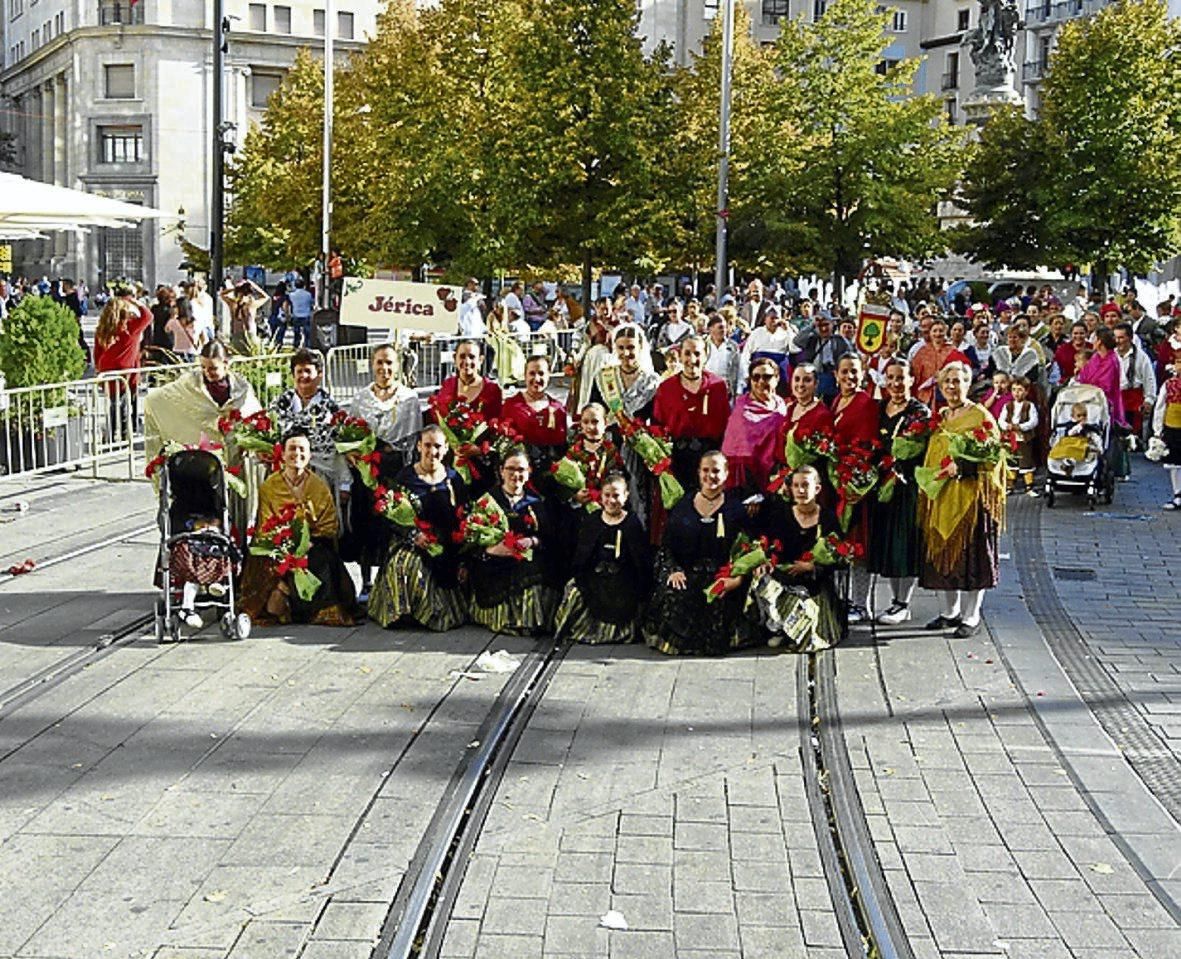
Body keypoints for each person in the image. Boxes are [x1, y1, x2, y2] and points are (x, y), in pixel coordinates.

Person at [918, 361, 1007, 639]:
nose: (952, 387)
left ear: (968, 384)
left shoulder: (981, 416)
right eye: (947, 382)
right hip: (943, 496)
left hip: (972, 499)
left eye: (958, 381)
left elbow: (995, 458)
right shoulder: (940, 416)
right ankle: (949, 612)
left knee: (972, 558)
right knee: (944, 556)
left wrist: (965, 468)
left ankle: (971, 615)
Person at [238, 431, 355, 626]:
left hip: (312, 544)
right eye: (292, 449)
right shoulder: (269, 486)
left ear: (309, 456)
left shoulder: (319, 486)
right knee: (261, 562)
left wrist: (306, 541)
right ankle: (280, 592)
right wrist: (284, 544)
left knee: (322, 560)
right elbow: (264, 525)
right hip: (277, 544)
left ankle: (293, 601)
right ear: (282, 454)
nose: (297, 454)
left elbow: (329, 525)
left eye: (302, 450)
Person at [644, 451, 751, 656]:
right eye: (706, 470)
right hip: (689, 575)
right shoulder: (683, 505)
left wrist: (736, 580)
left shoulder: (735, 509)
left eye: (716, 471)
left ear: (726, 474)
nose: (710, 476)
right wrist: (673, 571)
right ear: (698, 472)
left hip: (723, 578)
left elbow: (746, 550)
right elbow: (666, 547)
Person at [342, 344, 423, 603]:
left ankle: (390, 581)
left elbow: (412, 441)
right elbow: (350, 434)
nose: (384, 368)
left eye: (389, 362)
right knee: (366, 524)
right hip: (366, 472)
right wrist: (354, 453)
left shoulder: (409, 399)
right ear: (372, 364)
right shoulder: (361, 398)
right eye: (379, 362)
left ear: (397, 365)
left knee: (391, 526)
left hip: (394, 472)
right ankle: (365, 582)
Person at [369, 425, 470, 631]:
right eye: (427, 445)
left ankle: (430, 614)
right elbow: (391, 519)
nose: (432, 451)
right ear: (418, 446)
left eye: (437, 446)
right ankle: (403, 612)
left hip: (445, 543)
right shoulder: (405, 478)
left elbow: (463, 517)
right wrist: (413, 535)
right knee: (407, 564)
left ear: (446, 448)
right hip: (410, 540)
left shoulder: (454, 479)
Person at [745, 465, 843, 651]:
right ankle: (778, 628)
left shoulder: (828, 518)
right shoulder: (781, 514)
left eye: (805, 485)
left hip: (814, 584)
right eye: (796, 485)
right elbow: (767, 544)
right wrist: (764, 562)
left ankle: (794, 630)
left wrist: (812, 567)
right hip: (784, 577)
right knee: (762, 581)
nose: (800, 490)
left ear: (817, 489)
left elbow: (839, 558)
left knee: (811, 627)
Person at [553, 472, 651, 644]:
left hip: (622, 578)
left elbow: (640, 560)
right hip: (594, 576)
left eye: (616, 496)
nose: (611, 501)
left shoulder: (632, 523)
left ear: (626, 496)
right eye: (607, 495)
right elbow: (582, 555)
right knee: (575, 592)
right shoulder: (593, 520)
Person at [467, 450, 557, 634]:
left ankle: (527, 621)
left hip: (525, 560)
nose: (516, 475)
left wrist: (532, 541)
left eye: (521, 469)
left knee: (532, 574)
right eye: (511, 469)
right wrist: (490, 549)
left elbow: (549, 537)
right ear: (501, 471)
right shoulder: (487, 501)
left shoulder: (536, 502)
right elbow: (471, 539)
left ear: (529, 471)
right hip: (494, 561)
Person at [868, 359, 930, 625]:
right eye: (890, 378)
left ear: (911, 380)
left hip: (906, 484)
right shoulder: (879, 408)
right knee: (886, 543)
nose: (895, 384)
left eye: (901, 378)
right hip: (880, 484)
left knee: (904, 543)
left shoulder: (919, 412)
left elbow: (917, 448)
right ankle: (895, 600)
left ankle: (903, 602)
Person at [144, 340, 262, 463]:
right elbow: (162, 397)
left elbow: (252, 413)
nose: (207, 373)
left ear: (226, 364)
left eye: (213, 368)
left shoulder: (242, 387)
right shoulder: (190, 384)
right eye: (203, 367)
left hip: (235, 453)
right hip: (203, 458)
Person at [651, 337, 730, 493]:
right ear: (680, 356)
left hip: (710, 460)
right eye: (687, 353)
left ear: (706, 355)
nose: (692, 359)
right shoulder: (666, 388)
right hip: (678, 459)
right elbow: (657, 426)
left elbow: (726, 426)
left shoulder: (717, 386)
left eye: (697, 353)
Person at [269, 348, 344, 487]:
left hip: (321, 476)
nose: (303, 376)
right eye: (299, 371)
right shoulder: (280, 404)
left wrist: (345, 484)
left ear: (319, 375)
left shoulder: (331, 408)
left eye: (308, 371)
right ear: (293, 375)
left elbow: (338, 447)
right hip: (286, 476)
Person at [721, 357, 786, 493]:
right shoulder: (741, 412)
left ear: (777, 378)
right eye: (756, 377)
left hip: (778, 476)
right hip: (749, 482)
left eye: (767, 377)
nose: (761, 382)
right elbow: (736, 453)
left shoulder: (782, 405)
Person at [501, 354, 569, 475]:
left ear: (549, 375)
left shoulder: (558, 409)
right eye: (532, 373)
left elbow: (561, 449)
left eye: (541, 373)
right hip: (519, 474)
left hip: (550, 475)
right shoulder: (511, 405)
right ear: (525, 376)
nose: (537, 378)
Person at [998, 376, 1039, 496]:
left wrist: (1021, 427)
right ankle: (1010, 486)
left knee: (1026, 462)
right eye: (1014, 389)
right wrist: (1006, 426)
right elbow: (1001, 419)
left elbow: (1033, 421)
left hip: (1023, 439)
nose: (1016, 393)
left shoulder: (1029, 406)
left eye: (1020, 390)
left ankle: (1029, 486)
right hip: (1010, 438)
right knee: (1011, 461)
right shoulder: (1008, 406)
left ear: (1026, 391)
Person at [1150, 355, 1181, 509]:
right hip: (1173, 426)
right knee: (1174, 461)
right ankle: (1177, 493)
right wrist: (1158, 429)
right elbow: (1160, 407)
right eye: (1178, 362)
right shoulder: (1169, 385)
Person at [165, 297, 207, 362]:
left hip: (177, 353)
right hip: (193, 353)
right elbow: (204, 339)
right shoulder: (197, 322)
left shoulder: (173, 322)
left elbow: (166, 329)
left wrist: (172, 316)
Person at [287, 279, 315, 348]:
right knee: (307, 333)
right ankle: (307, 346)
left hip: (296, 315)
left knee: (296, 332)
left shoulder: (291, 295)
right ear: (303, 285)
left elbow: (290, 305)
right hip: (306, 315)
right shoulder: (308, 294)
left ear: (295, 286)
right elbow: (312, 303)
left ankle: (296, 346)